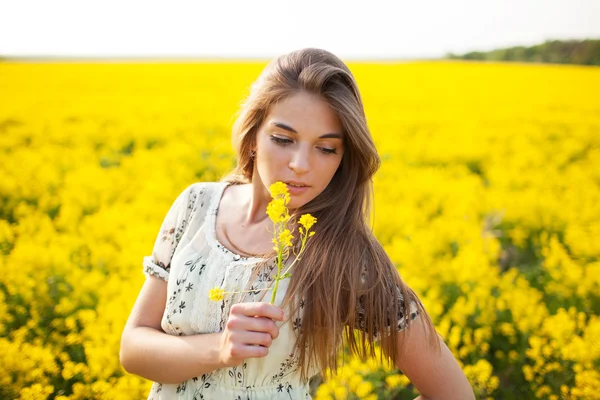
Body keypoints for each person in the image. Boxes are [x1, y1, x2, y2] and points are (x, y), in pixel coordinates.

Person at [120, 48, 475, 400]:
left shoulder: (346, 252)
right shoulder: (196, 205)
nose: (301, 165)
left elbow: (454, 394)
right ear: (253, 135)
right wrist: (219, 348)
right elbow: (133, 349)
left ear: (344, 157)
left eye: (326, 148)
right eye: (283, 139)